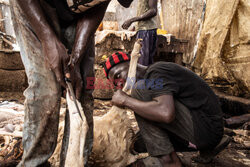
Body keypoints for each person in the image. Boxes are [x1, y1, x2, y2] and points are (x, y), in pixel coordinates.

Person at [9, 0, 133, 166]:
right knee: (46, 89)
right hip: (33, 6)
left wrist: (76, 58)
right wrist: (48, 39)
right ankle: (34, 162)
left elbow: (97, 6)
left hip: (75, 15)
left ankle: (76, 161)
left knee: (81, 88)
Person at [104, 53, 229, 166]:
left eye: (118, 75)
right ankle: (208, 149)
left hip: (207, 129)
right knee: (138, 143)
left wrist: (126, 101)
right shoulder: (152, 77)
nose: (120, 84)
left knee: (139, 89)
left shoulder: (157, 70)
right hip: (201, 129)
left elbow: (165, 113)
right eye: (116, 84)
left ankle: (170, 161)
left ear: (132, 63)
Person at [122, 0, 158, 66]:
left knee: (143, 63)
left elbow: (153, 11)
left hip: (147, 30)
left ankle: (144, 76)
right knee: (142, 61)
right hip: (143, 30)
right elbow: (143, 9)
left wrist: (132, 20)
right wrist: (136, 25)